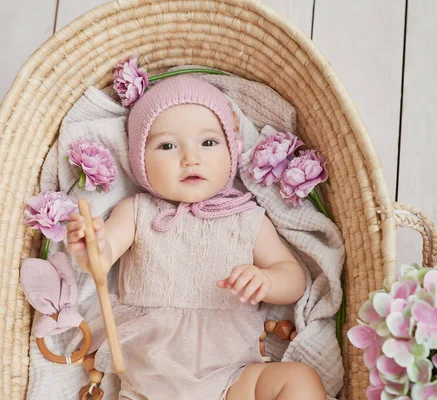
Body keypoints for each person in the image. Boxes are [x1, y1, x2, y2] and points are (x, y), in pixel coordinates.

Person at [66, 75, 326, 400]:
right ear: (140, 162)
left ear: (232, 151)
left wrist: (267, 281)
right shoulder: (137, 211)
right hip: (155, 376)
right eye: (167, 146)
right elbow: (102, 257)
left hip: (233, 377)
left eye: (208, 142)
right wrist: (89, 244)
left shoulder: (247, 217)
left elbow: (294, 280)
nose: (190, 158)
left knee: (300, 379)